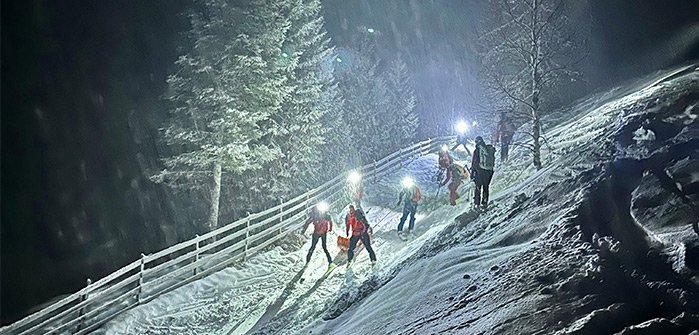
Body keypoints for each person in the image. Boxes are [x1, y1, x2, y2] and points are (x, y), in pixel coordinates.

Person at [471, 136, 495, 209]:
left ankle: (476, 204)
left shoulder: (477, 150)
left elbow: (474, 162)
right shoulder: (488, 149)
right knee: (486, 186)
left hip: (480, 170)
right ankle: (484, 202)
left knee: (478, 187)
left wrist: (472, 172)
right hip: (489, 170)